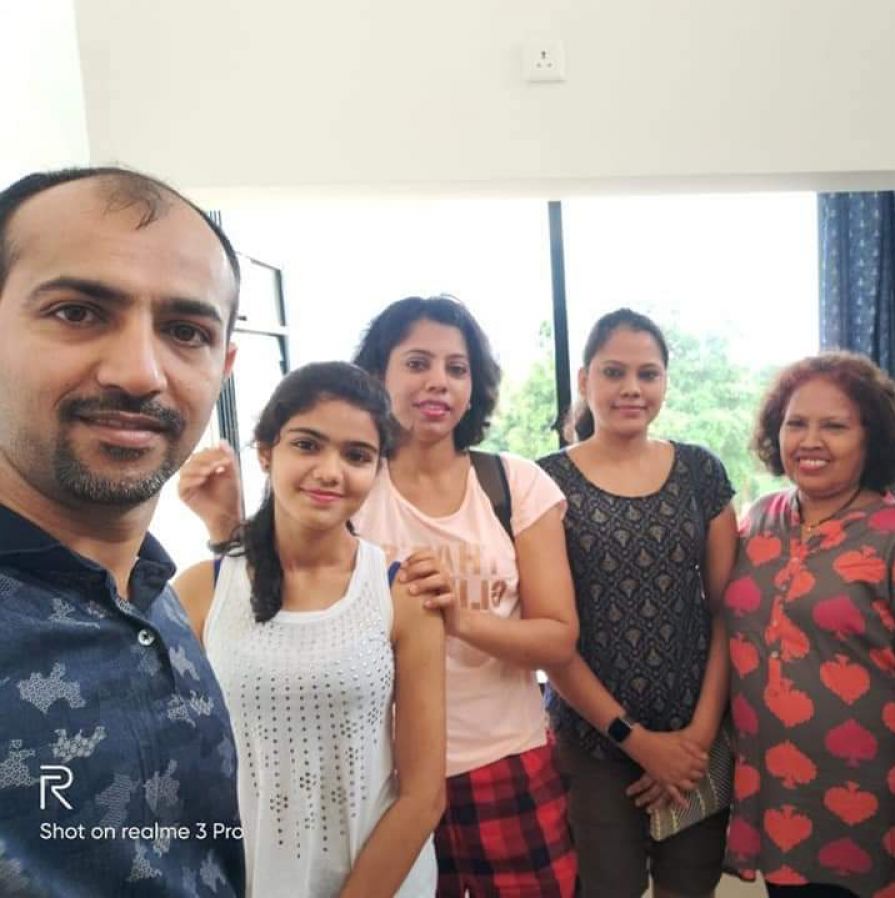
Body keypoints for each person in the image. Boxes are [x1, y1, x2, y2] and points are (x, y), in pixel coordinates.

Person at [184, 295, 580, 897]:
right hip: (368, 786)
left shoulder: (512, 483)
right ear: (379, 374)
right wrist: (225, 530)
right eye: (417, 362)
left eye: (457, 367)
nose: (438, 381)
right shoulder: (349, 486)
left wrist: (457, 617)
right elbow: (279, 596)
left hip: (500, 759)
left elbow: (558, 637)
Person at [0, 167, 245, 896]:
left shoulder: (152, 591)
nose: (140, 373)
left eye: (186, 332)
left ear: (223, 367)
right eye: (77, 312)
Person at [173, 362, 447, 897]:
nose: (329, 472)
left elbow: (423, 796)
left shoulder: (403, 593)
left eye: (357, 456)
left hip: (379, 879)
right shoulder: (201, 590)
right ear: (266, 452)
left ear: (378, 469)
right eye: (307, 445)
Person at [726, 352, 895, 898]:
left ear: (873, 439)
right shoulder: (759, 520)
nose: (810, 441)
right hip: (781, 812)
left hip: (876, 823)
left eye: (835, 426)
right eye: (796, 423)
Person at [538, 309, 738, 898]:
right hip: (593, 740)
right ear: (584, 380)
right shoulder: (543, 484)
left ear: (665, 382)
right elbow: (550, 636)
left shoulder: (701, 471)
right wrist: (639, 742)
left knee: (690, 888)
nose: (632, 388)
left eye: (648, 374)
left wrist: (696, 739)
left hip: (695, 735)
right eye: (614, 372)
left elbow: (728, 612)